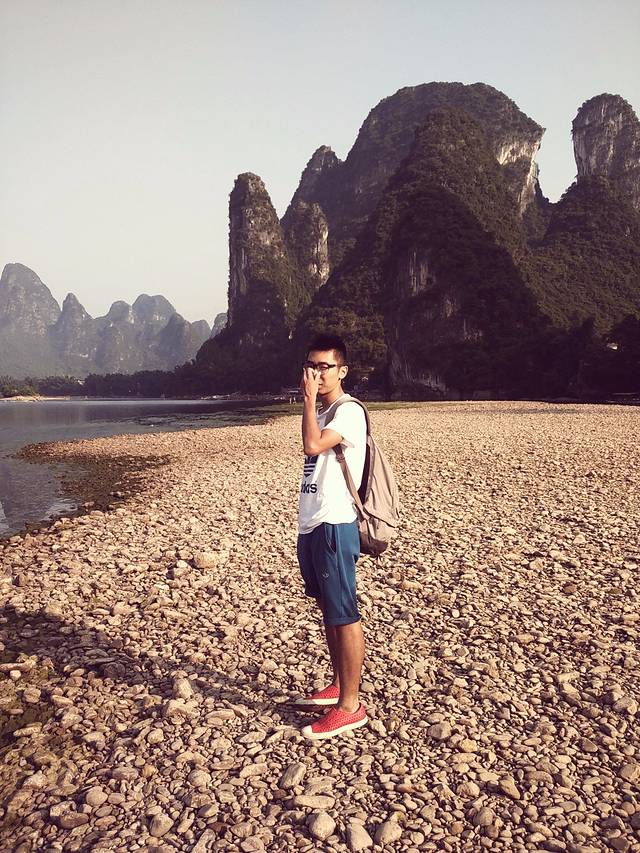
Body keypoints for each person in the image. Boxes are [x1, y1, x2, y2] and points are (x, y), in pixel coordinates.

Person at [296, 333, 368, 740]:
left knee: (344, 612)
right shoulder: (323, 412)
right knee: (327, 607)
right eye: (311, 366)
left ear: (342, 371)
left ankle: (350, 707)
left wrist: (307, 401)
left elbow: (312, 446)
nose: (316, 374)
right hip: (312, 522)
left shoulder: (349, 411)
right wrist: (311, 406)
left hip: (336, 523)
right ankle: (339, 684)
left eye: (324, 367)